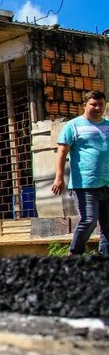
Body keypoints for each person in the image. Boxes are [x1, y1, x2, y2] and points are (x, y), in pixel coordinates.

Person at [51, 90, 109, 257]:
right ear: (85, 105)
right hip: (85, 185)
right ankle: (75, 254)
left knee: (107, 225)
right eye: (93, 104)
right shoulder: (73, 126)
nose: (98, 107)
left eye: (101, 104)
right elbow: (62, 152)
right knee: (88, 220)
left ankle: (105, 256)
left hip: (107, 183)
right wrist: (59, 178)